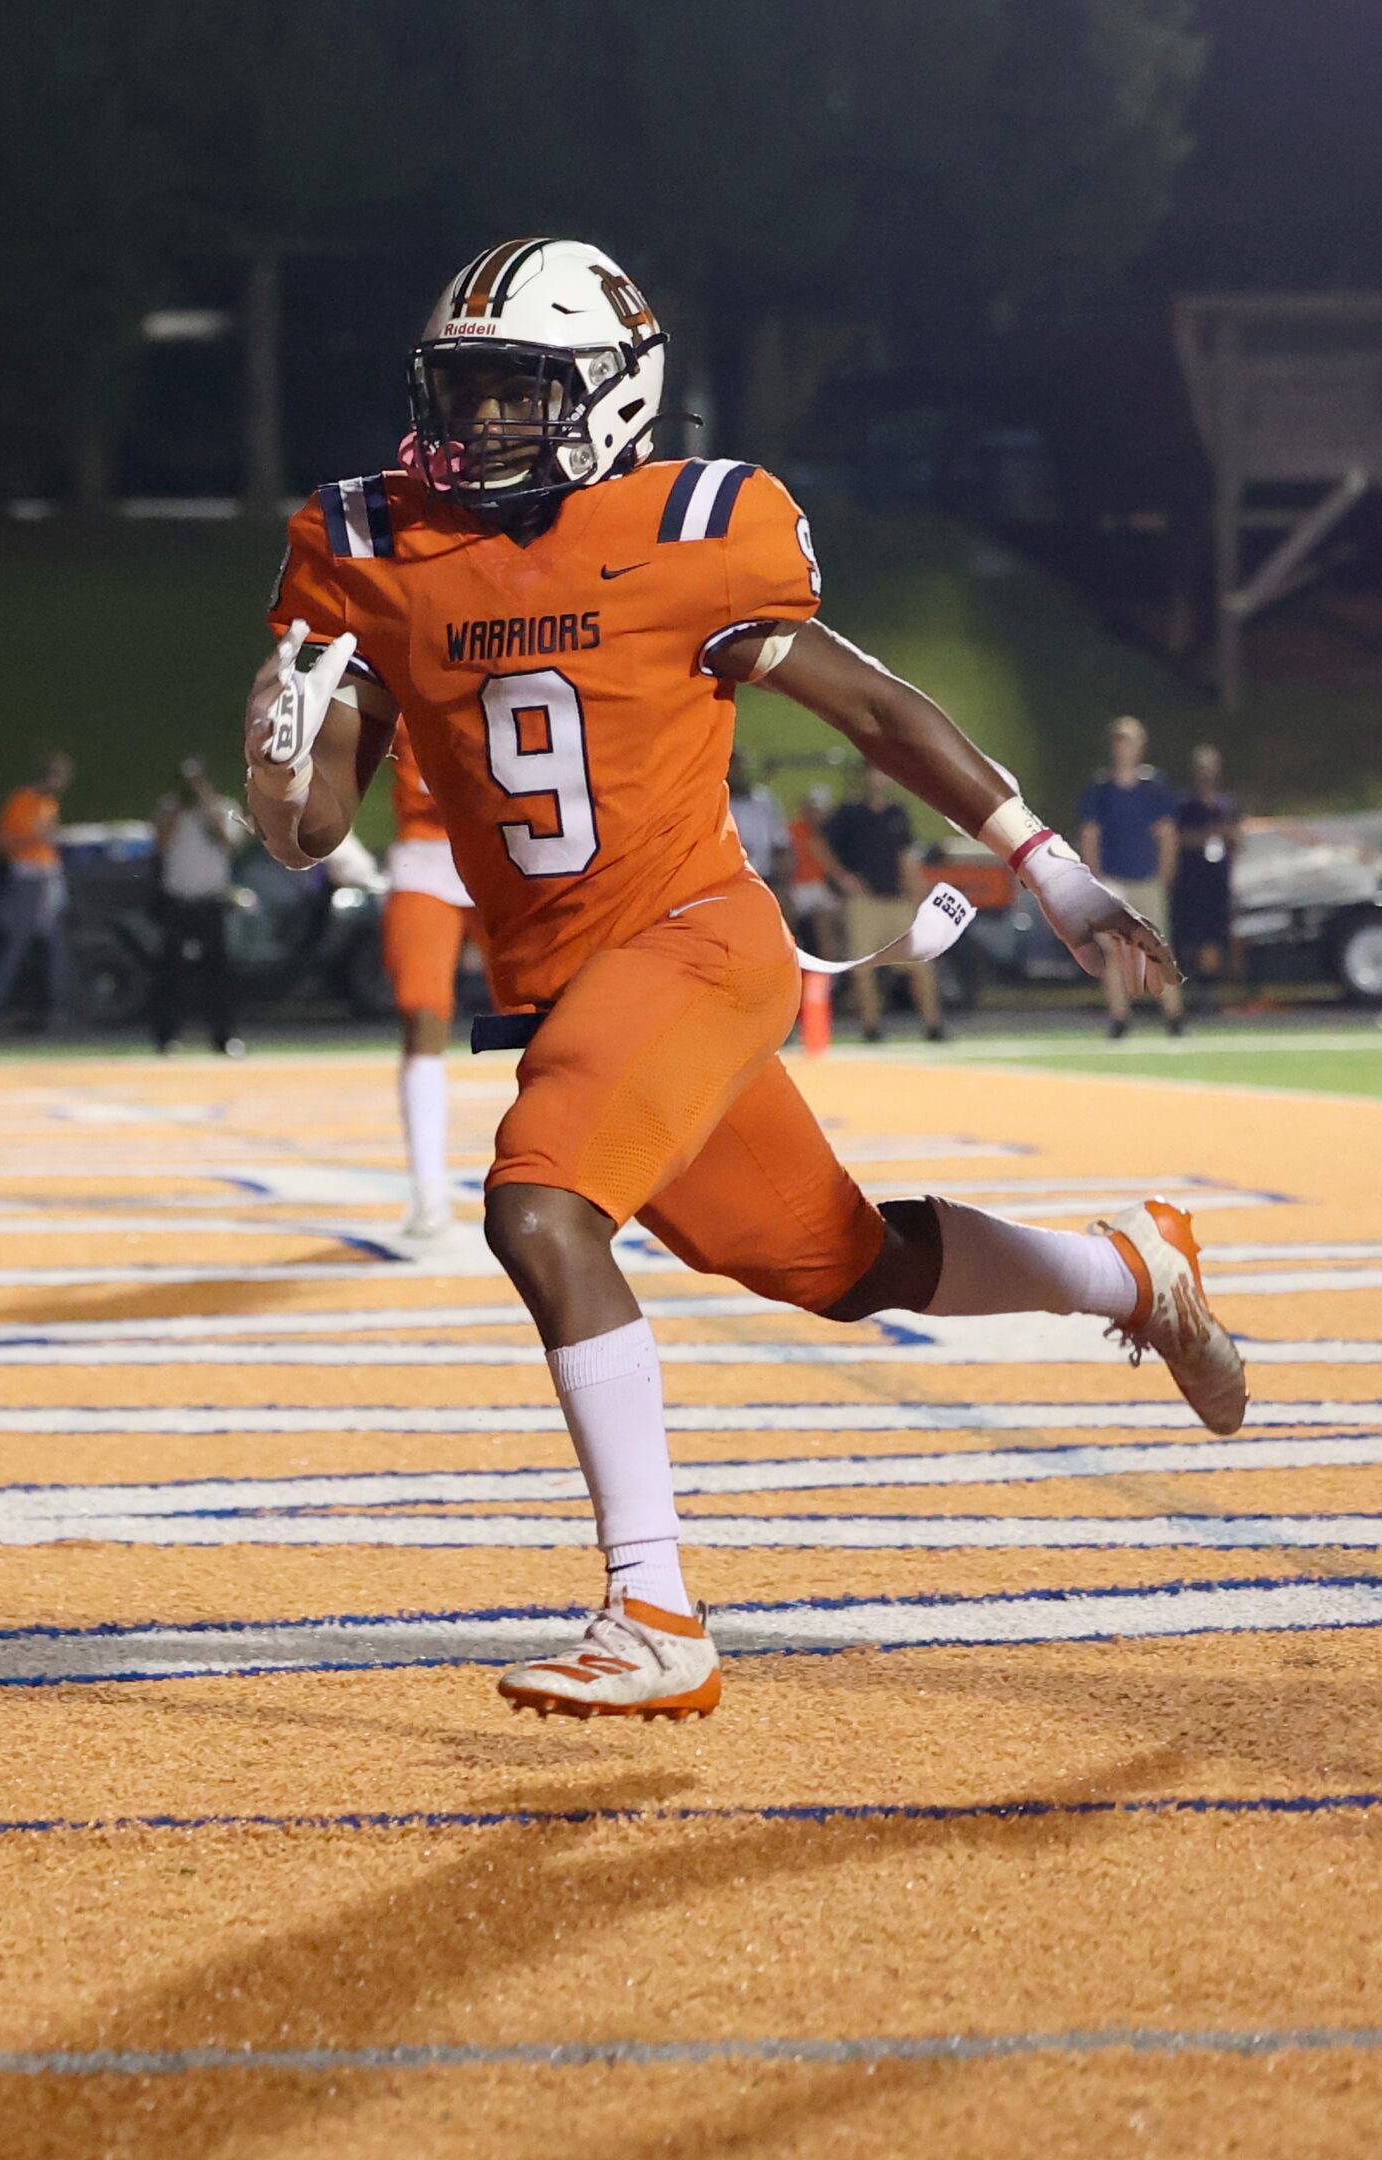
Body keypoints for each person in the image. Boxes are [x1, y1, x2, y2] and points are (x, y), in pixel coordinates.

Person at [249, 235, 1235, 1722]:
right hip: (572, 991)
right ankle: (1134, 1271)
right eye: (460, 390)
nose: (476, 425)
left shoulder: (700, 526)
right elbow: (315, 829)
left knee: (537, 1206)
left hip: (698, 942)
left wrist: (1041, 860)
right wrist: (281, 740)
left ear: (611, 393)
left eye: (516, 393)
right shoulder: (371, 545)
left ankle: (653, 1608)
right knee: (840, 1265)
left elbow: (875, 712)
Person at [378, 756, 481, 1236]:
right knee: (423, 1016)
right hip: (425, 857)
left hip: (513, 853)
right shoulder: (397, 683)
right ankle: (428, 1190)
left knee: (550, 1016)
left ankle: (582, 1178)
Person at [1079, 717, 1182, 1037]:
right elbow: (1090, 834)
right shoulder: (1100, 789)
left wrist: (1165, 873)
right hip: (1114, 879)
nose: (1125, 748)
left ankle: (1174, 1017)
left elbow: (1167, 834)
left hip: (1145, 877)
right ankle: (1119, 1018)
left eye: (1131, 741)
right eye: (1120, 741)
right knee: (1111, 949)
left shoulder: (1153, 788)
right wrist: (1094, 876)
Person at [822, 769, 940, 1044]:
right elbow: (819, 842)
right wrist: (842, 877)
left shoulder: (896, 813)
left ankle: (933, 1024)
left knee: (920, 963)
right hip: (865, 901)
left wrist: (919, 896)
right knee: (863, 965)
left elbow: (906, 857)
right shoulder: (850, 813)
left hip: (896, 898)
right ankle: (871, 1026)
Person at [150, 757, 246, 1057]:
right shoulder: (169, 808)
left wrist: (206, 805)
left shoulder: (224, 808)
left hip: (211, 901)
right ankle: (167, 1037)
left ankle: (223, 1037)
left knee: (217, 972)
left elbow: (228, 844)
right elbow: (162, 843)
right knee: (172, 972)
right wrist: (180, 808)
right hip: (178, 901)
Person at [0, 752, 71, 1029]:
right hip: (27, 879)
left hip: (48, 878)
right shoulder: (23, 801)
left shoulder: (48, 803)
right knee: (18, 944)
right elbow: (3, 841)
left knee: (55, 945)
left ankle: (58, 1006)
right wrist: (36, 837)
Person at [1171, 743, 1242, 999]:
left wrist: (1230, 837)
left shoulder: (1227, 804)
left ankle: (1207, 990)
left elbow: (1237, 839)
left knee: (1214, 935)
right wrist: (1206, 836)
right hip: (1191, 879)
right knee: (1190, 935)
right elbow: (1178, 838)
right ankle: (1192, 985)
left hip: (1217, 879)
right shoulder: (1185, 804)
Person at [783, 782, 842, 960]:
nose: (816, 815)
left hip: (822, 889)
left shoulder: (831, 832)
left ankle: (828, 977)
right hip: (798, 887)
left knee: (827, 925)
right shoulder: (794, 830)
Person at [726, 749, 790, 889]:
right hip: (732, 878)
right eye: (734, 768)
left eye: (740, 767)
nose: (738, 772)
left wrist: (784, 880)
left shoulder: (764, 799)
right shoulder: (720, 803)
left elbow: (780, 842)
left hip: (766, 875)